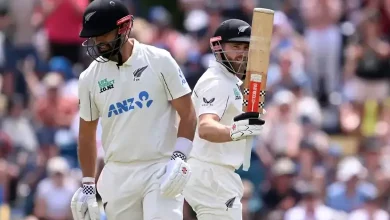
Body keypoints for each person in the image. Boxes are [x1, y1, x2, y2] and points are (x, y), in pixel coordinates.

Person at [70, 0, 197, 220]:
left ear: (123, 27)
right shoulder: (89, 78)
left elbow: (188, 113)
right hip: (117, 174)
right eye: (94, 37)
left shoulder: (159, 61)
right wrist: (88, 184)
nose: (98, 42)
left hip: (159, 168)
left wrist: (179, 156)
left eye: (103, 35)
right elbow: (87, 134)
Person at [183, 19, 265, 220]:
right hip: (210, 174)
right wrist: (238, 130)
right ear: (218, 48)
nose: (242, 53)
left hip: (214, 173)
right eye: (236, 46)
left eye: (246, 47)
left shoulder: (229, 81)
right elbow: (205, 127)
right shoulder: (217, 81)